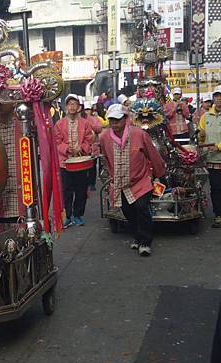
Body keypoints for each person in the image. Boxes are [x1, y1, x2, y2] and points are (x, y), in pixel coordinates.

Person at [100, 104, 166, 256]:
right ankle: (137, 236)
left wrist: (159, 174)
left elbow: (153, 154)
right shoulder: (104, 137)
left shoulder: (139, 134)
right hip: (119, 182)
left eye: (117, 120)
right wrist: (112, 176)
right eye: (111, 120)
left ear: (125, 119)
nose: (114, 123)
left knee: (141, 208)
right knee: (127, 210)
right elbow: (106, 159)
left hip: (140, 180)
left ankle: (145, 241)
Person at [54, 94, 95, 228]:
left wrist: (81, 148)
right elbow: (56, 141)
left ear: (78, 107)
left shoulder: (85, 123)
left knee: (81, 189)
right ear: (66, 107)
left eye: (74, 104)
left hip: (81, 161)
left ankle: (78, 215)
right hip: (65, 162)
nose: (72, 107)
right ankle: (67, 216)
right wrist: (67, 149)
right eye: (69, 104)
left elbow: (89, 139)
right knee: (66, 190)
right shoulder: (59, 124)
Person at [198, 85, 221, 228]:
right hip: (212, 160)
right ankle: (218, 214)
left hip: (217, 153)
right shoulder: (205, 116)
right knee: (216, 188)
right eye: (217, 97)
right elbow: (201, 139)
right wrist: (201, 138)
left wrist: (218, 146)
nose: (219, 100)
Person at [83, 100, 105, 191]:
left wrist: (91, 125)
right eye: (85, 109)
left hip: (94, 146)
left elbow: (99, 129)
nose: (87, 111)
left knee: (92, 166)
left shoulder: (94, 119)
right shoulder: (80, 119)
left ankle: (92, 183)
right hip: (84, 147)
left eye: (88, 109)